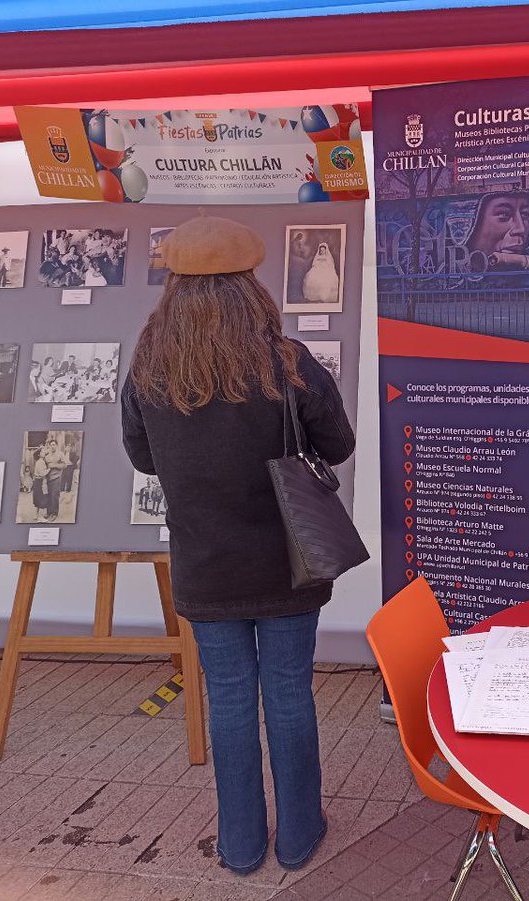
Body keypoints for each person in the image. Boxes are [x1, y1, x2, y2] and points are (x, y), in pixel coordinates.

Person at [121, 215, 355, 876]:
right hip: (289, 559)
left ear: (174, 289)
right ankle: (300, 832)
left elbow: (143, 459)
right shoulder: (287, 361)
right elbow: (337, 445)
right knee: (288, 693)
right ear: (250, 285)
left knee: (227, 699)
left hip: (203, 563)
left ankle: (241, 842)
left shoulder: (148, 369)